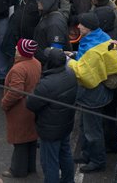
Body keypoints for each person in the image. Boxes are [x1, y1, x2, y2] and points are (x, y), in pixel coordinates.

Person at [67, 13, 117, 173]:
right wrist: (75, 56)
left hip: (92, 95)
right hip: (101, 91)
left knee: (92, 130)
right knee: (85, 126)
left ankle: (97, 160)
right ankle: (87, 154)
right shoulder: (102, 37)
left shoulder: (92, 48)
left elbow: (84, 73)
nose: (78, 27)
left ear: (88, 27)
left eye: (81, 25)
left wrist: (69, 61)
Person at [26, 47, 77, 183]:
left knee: (50, 163)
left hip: (50, 129)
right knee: (65, 154)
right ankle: (68, 180)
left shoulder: (47, 84)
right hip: (66, 124)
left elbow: (31, 104)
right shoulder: (71, 73)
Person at [1, 38, 41, 178]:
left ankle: (17, 170)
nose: (15, 49)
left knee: (19, 141)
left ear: (22, 52)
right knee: (30, 138)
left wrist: (4, 103)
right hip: (32, 108)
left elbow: (15, 92)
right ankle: (30, 168)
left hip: (20, 110)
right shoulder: (36, 63)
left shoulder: (19, 68)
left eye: (18, 48)